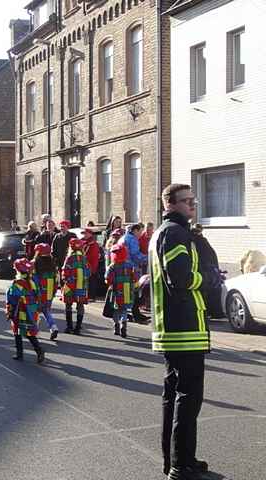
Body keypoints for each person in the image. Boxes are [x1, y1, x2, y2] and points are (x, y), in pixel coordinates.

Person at [150, 183, 220, 480]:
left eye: (194, 199)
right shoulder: (175, 232)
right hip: (184, 327)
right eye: (186, 200)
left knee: (176, 398)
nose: (193, 204)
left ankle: (179, 460)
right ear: (170, 204)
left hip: (174, 326)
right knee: (188, 399)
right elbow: (180, 278)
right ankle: (181, 466)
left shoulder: (169, 232)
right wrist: (208, 277)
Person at [6, 258, 45, 363]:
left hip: (20, 311)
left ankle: (20, 354)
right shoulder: (32, 282)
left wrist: (9, 311)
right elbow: (38, 295)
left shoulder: (16, 284)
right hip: (31, 310)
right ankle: (39, 351)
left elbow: (11, 299)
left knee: (17, 332)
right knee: (30, 332)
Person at [105, 244, 138, 339]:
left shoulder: (112, 266)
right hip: (128, 290)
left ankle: (116, 327)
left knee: (116, 309)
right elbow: (135, 278)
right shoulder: (130, 265)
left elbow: (108, 279)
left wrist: (109, 283)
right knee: (124, 309)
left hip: (116, 290)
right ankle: (124, 323)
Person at [62, 238, 90, 335]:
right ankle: (78, 328)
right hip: (81, 285)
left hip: (70, 285)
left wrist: (65, 280)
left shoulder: (69, 258)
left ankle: (69, 327)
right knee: (80, 305)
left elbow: (65, 271)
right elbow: (88, 272)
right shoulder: (84, 258)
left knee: (68, 304)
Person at [32, 243, 59, 340]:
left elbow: (33, 279)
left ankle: (34, 331)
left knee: (35, 311)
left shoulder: (34, 263)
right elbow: (56, 279)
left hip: (38, 291)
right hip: (49, 292)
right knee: (46, 310)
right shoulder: (53, 263)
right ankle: (53, 327)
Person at [82, 228, 101, 300]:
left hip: (91, 265)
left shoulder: (93, 243)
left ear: (90, 234)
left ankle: (91, 296)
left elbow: (92, 256)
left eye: (86, 233)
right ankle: (86, 295)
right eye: (84, 233)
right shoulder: (83, 241)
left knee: (92, 280)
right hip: (85, 265)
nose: (84, 235)